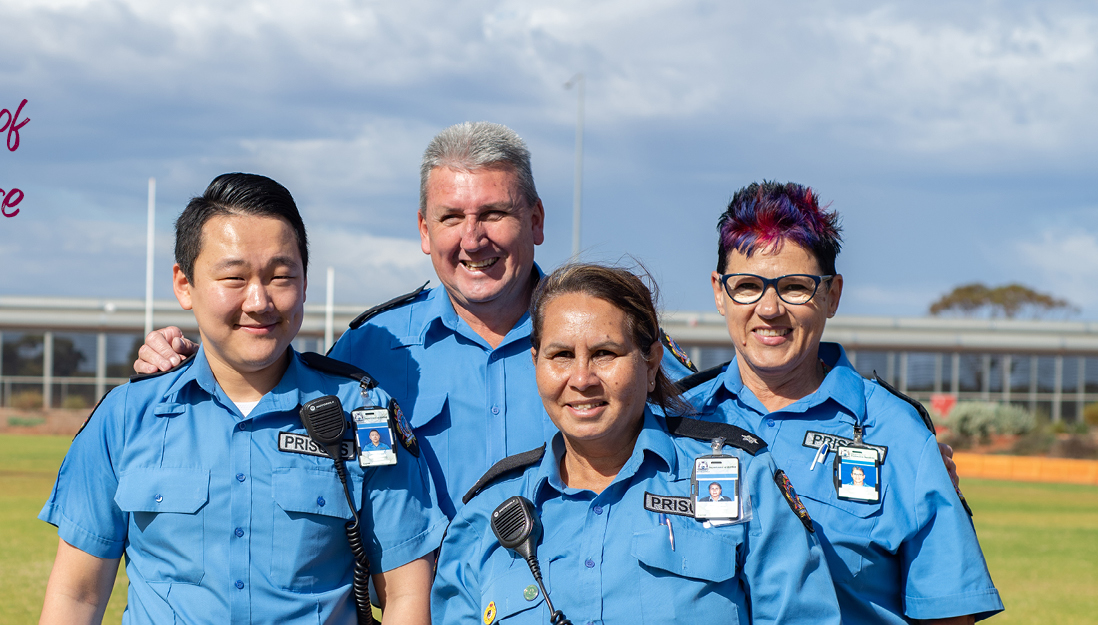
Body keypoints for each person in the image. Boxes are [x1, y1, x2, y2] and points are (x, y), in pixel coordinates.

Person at [134, 122, 698, 517]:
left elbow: (704, 443)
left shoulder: (620, 344)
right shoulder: (368, 350)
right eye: (451, 217)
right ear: (425, 232)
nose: (473, 238)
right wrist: (181, 361)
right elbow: (264, 414)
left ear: (536, 219)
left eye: (495, 214)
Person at [38, 173, 444, 625]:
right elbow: (78, 597)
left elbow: (406, 592)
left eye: (281, 276)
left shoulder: (363, 415)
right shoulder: (124, 418)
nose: (259, 301)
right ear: (184, 284)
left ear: (305, 283)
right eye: (233, 277)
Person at [433, 263, 838, 624]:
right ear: (535, 363)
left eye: (604, 353)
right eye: (560, 355)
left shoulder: (743, 479)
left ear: (651, 362)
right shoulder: (486, 515)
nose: (582, 378)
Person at [678, 181, 1002, 623]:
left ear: (832, 295)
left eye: (795, 287)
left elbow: (950, 614)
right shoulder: (671, 421)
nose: (769, 309)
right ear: (719, 293)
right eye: (748, 285)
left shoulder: (897, 432)